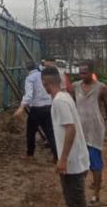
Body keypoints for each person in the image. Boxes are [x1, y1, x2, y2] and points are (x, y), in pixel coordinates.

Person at [42, 67, 89, 207]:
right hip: (77, 159)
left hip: (72, 164)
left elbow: (71, 129)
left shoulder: (59, 101)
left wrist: (63, 159)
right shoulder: (65, 96)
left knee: (75, 202)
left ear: (45, 83)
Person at [71, 60, 107, 206]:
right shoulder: (75, 87)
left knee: (95, 163)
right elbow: (72, 106)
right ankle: (80, 192)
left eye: (85, 71)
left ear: (91, 71)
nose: (82, 74)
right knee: (80, 162)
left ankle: (96, 193)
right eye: (80, 72)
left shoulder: (101, 88)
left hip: (95, 130)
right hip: (79, 130)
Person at [13, 61, 57, 160]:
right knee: (50, 132)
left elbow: (28, 95)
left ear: (26, 68)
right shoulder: (43, 75)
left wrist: (21, 108)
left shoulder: (30, 78)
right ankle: (56, 157)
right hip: (48, 106)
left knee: (31, 131)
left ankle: (30, 154)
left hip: (37, 109)